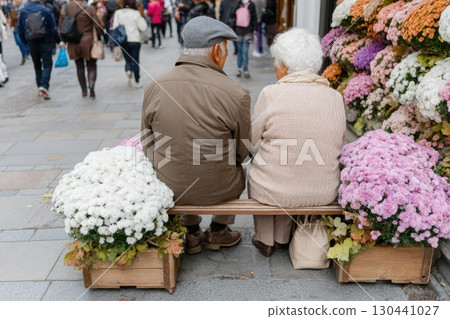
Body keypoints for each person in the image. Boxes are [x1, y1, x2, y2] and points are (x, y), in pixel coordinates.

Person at [141, 16, 250, 255]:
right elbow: (243, 151)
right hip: (219, 187)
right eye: (226, 48)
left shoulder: (154, 86)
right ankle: (219, 230)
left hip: (170, 185)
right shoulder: (236, 92)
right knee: (237, 168)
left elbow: (147, 141)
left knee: (177, 158)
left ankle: (190, 233)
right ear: (216, 50)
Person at [249, 28, 346, 256]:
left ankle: (265, 239)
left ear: (283, 65)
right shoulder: (335, 97)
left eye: (276, 61)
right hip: (324, 190)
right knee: (291, 165)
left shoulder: (271, 94)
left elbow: (251, 141)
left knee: (265, 169)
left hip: (274, 190)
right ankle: (283, 238)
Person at [17, 0, 66, 100]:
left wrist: (26, 43)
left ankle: (40, 86)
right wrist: (59, 41)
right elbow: (53, 28)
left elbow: (20, 30)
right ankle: (44, 86)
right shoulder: (45, 10)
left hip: (32, 43)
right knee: (47, 64)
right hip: (46, 42)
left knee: (37, 65)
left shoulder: (23, 12)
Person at [59, 0, 104, 98]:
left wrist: (62, 41)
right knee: (91, 65)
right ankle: (91, 83)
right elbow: (98, 25)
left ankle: (84, 90)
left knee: (79, 67)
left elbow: (61, 27)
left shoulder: (65, 8)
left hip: (73, 42)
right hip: (88, 40)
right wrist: (98, 35)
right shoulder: (89, 8)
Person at [113, 0, 147, 87]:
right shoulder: (136, 13)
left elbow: (115, 26)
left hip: (123, 40)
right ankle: (137, 81)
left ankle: (128, 70)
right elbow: (143, 27)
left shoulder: (118, 13)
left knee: (127, 59)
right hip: (135, 39)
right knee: (135, 60)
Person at [230, 0, 257, 78]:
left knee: (244, 51)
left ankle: (245, 69)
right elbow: (232, 15)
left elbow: (254, 18)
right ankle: (239, 69)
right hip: (238, 31)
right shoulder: (237, 4)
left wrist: (254, 30)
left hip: (248, 31)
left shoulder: (251, 5)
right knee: (240, 51)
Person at [9, 0, 29, 65]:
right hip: (18, 26)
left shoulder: (18, 6)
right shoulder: (13, 6)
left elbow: (15, 17)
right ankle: (25, 53)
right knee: (19, 41)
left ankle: (25, 53)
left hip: (19, 26)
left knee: (20, 41)